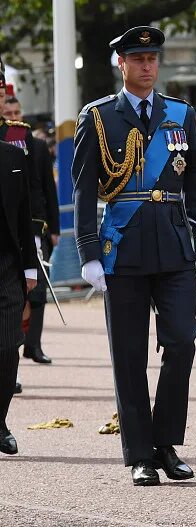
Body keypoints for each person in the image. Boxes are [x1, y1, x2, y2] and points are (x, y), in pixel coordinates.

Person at [72, 26, 196, 485]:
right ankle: (139, 453)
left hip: (174, 245)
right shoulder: (98, 117)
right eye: (137, 59)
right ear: (122, 64)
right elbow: (81, 191)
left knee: (182, 342)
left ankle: (166, 442)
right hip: (124, 247)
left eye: (152, 57)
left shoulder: (180, 113)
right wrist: (88, 251)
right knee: (129, 354)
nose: (147, 66)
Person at [2, 96, 60, 366]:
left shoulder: (31, 144)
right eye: (7, 109)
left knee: (36, 293)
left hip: (35, 228)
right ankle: (16, 343)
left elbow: (45, 190)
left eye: (15, 110)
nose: (11, 113)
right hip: (11, 232)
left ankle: (32, 344)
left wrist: (52, 229)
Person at [0, 138, 39, 455]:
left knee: (7, 347)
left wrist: (30, 267)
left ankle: (0, 422)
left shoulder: (13, 156)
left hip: (6, 266)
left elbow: (25, 215)